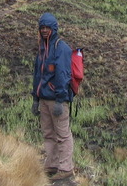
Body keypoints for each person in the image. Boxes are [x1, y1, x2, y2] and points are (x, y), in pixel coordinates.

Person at [31, 12, 74, 181]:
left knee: (62, 135)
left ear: (54, 28)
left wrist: (60, 100)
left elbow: (63, 76)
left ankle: (66, 168)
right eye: (42, 27)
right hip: (44, 100)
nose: (44, 30)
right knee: (48, 133)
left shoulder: (61, 48)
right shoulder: (42, 48)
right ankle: (52, 164)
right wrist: (35, 98)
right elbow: (37, 75)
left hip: (57, 100)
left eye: (48, 27)